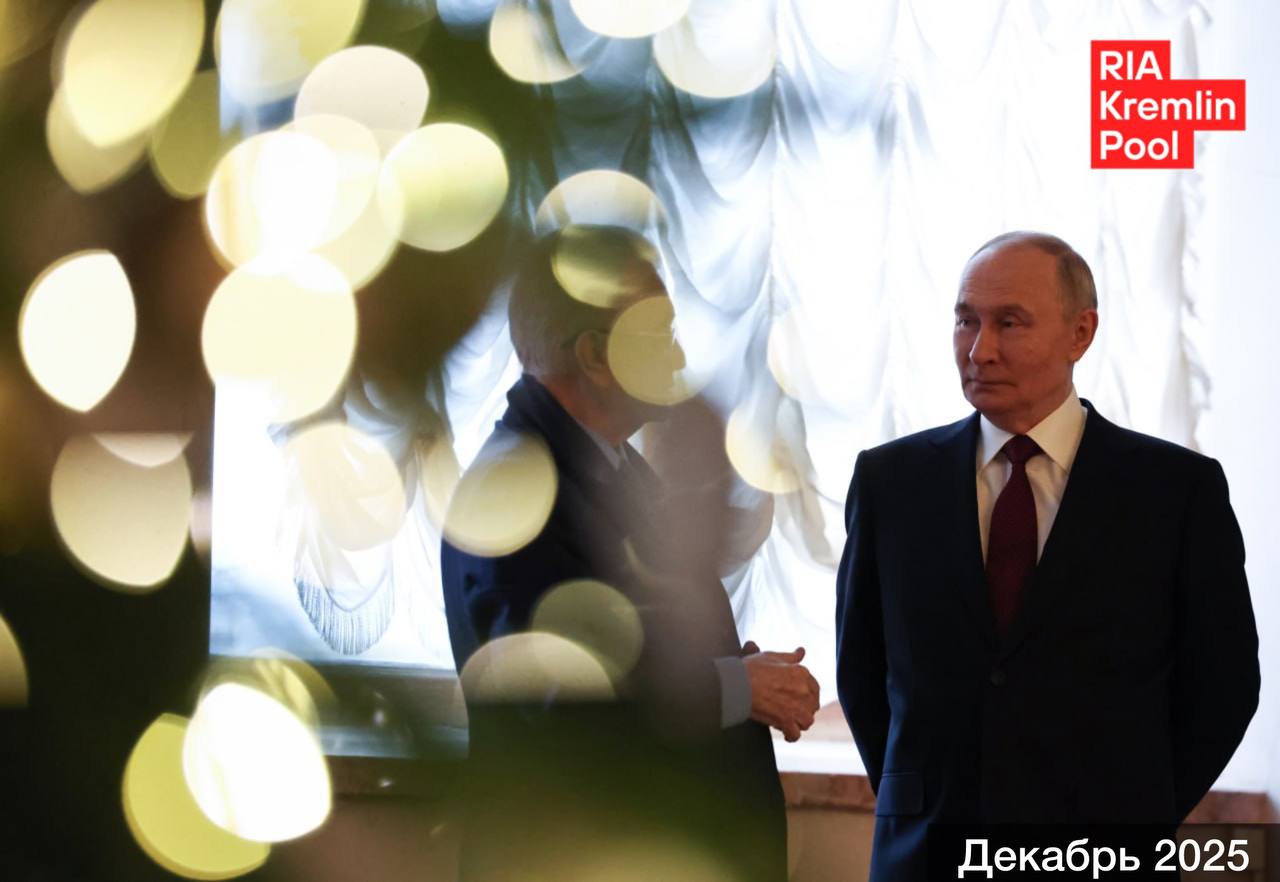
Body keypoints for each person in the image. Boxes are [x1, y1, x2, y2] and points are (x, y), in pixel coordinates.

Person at [835, 231, 1260, 882]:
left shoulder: (1175, 490)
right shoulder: (891, 482)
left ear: (1080, 333)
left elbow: (1223, 687)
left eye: (1010, 323)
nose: (980, 350)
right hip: (926, 853)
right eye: (966, 321)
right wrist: (917, 797)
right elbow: (863, 671)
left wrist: (1135, 816)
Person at [441, 224, 819, 882]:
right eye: (661, 333)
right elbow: (561, 696)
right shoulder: (513, 490)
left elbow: (637, 645)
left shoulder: (611, 466)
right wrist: (735, 687)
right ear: (595, 354)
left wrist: (730, 670)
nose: (678, 357)